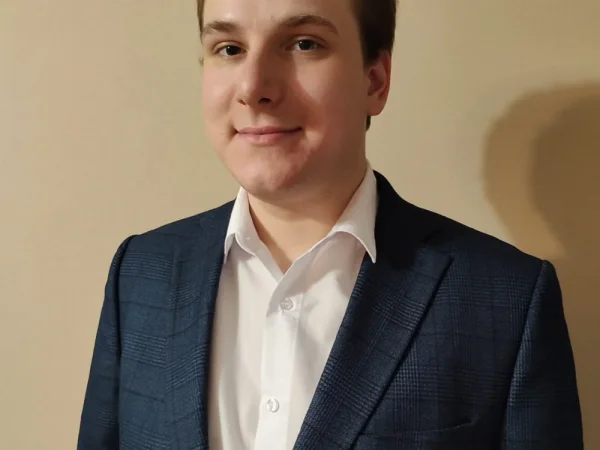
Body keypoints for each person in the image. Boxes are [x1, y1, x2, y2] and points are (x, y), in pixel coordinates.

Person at [78, 0, 583, 448]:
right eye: (229, 48)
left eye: (304, 43)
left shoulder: (506, 299)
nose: (253, 88)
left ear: (374, 81)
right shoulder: (140, 274)